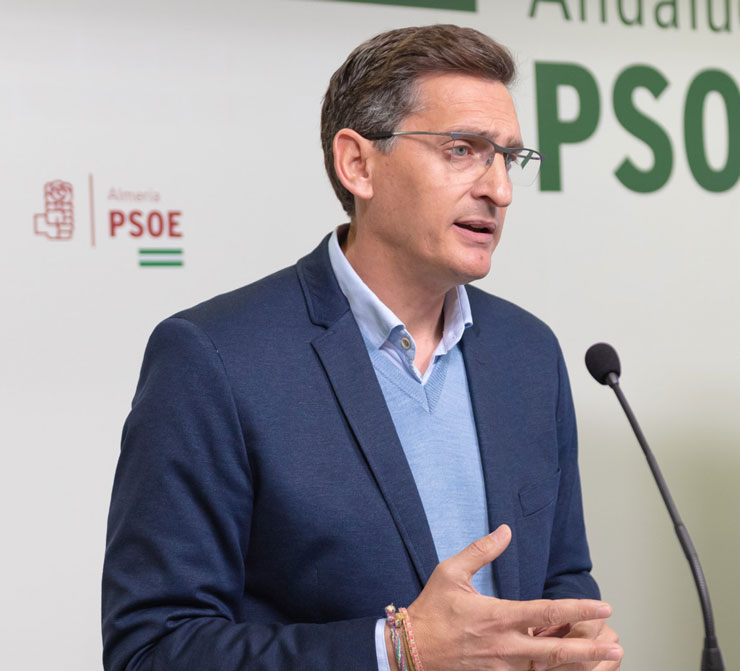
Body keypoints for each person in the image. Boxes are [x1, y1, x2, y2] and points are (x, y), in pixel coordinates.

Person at [102, 24, 622, 671]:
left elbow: (561, 578)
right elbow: (153, 649)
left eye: (508, 158)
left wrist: (571, 642)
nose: (500, 190)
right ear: (358, 164)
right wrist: (395, 650)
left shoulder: (529, 354)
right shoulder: (213, 359)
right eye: (463, 150)